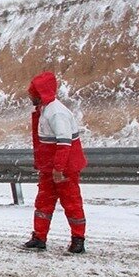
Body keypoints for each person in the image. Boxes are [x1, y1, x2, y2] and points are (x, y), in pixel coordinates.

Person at [23, 71, 88, 254]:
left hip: (63, 169)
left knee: (72, 203)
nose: (29, 96)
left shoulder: (56, 113)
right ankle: (39, 237)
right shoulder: (45, 111)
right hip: (49, 168)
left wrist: (58, 169)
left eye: (32, 93)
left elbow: (64, 143)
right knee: (43, 203)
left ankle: (78, 240)